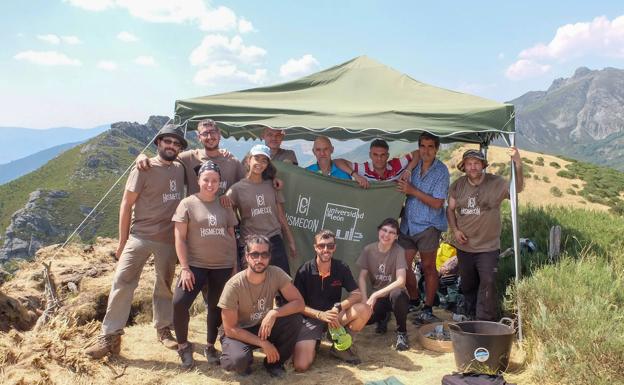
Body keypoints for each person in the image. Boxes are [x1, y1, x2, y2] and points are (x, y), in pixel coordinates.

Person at [85, 124, 187, 358]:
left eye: (176, 143)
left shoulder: (180, 168)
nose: (171, 146)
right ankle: (110, 337)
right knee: (122, 281)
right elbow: (126, 204)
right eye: (167, 141)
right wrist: (122, 242)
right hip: (140, 236)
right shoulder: (144, 168)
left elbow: (203, 156)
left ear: (180, 148)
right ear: (158, 143)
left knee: (164, 285)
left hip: (168, 239)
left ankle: (163, 329)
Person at [171, 161, 238, 369]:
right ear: (198, 180)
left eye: (215, 180)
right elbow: (179, 238)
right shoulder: (187, 204)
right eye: (206, 180)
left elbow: (231, 235)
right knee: (180, 303)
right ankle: (183, 346)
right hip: (195, 265)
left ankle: (210, 346)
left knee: (216, 308)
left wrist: (235, 266)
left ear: (220, 182)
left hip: (223, 265)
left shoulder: (225, 204)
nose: (210, 184)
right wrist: (185, 268)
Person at [446, 148, 524, 321]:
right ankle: (470, 316)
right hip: (465, 246)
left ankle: (485, 322)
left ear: (483, 165)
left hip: (488, 247)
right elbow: (450, 209)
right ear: (463, 166)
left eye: (476, 163)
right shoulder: (457, 186)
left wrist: (517, 163)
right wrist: (455, 230)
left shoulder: (496, 183)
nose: (473, 167)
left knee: (487, 281)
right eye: (469, 164)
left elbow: (517, 188)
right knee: (468, 284)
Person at [218, 234, 304, 377]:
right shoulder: (234, 285)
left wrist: (274, 313)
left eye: (264, 255)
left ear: (270, 257)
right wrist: (263, 344)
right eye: (255, 254)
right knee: (238, 361)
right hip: (238, 332)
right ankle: (239, 357)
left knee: (295, 319)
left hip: (263, 327)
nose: (259, 260)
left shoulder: (276, 274)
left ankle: (274, 363)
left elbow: (299, 303)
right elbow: (230, 329)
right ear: (247, 256)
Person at [292, 230, 372, 371]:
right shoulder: (304, 271)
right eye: (321, 246)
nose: (326, 250)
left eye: (330, 246)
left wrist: (338, 308)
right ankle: (314, 341)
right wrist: (319, 315)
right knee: (301, 366)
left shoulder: (341, 267)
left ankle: (339, 347)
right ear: (315, 247)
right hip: (311, 319)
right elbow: (297, 304)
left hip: (335, 318)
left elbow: (357, 294)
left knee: (364, 309)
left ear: (334, 247)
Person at [396, 132, 449, 323]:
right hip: (408, 224)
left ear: (436, 149)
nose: (426, 151)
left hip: (428, 225)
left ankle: (428, 307)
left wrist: (412, 191)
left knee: (428, 267)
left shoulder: (441, 171)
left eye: (430, 147)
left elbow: (437, 203)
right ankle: (414, 298)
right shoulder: (415, 164)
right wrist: (410, 168)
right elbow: (414, 155)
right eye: (423, 146)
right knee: (402, 264)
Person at [226, 144, 296, 274]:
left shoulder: (272, 185)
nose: (260, 163)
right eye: (256, 158)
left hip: (274, 240)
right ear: (248, 160)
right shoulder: (236, 189)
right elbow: (225, 212)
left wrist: (291, 241)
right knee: (252, 287)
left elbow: (281, 216)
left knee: (283, 285)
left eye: (264, 160)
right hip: (250, 243)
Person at [136, 119, 246, 196]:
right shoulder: (189, 157)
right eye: (205, 133)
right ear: (199, 138)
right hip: (195, 223)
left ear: (219, 135)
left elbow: (246, 185)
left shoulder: (232, 161)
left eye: (213, 132)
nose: (209, 137)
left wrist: (230, 196)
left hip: (225, 223)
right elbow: (165, 157)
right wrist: (142, 156)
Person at [358, 218, 410, 351]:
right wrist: (365, 300)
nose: (386, 235)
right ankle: (383, 318)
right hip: (379, 298)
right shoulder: (368, 250)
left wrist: (375, 294)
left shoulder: (399, 251)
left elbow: (401, 281)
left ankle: (402, 333)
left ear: (396, 236)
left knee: (398, 294)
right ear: (378, 231)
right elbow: (362, 277)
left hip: (394, 295)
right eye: (384, 230)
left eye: (392, 232)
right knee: (366, 320)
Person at [334, 139, 420, 188]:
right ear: (370, 155)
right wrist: (356, 176)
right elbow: (338, 161)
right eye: (375, 155)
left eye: (382, 155)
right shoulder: (363, 169)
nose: (379, 159)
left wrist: (409, 169)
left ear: (387, 155)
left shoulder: (397, 164)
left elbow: (417, 152)